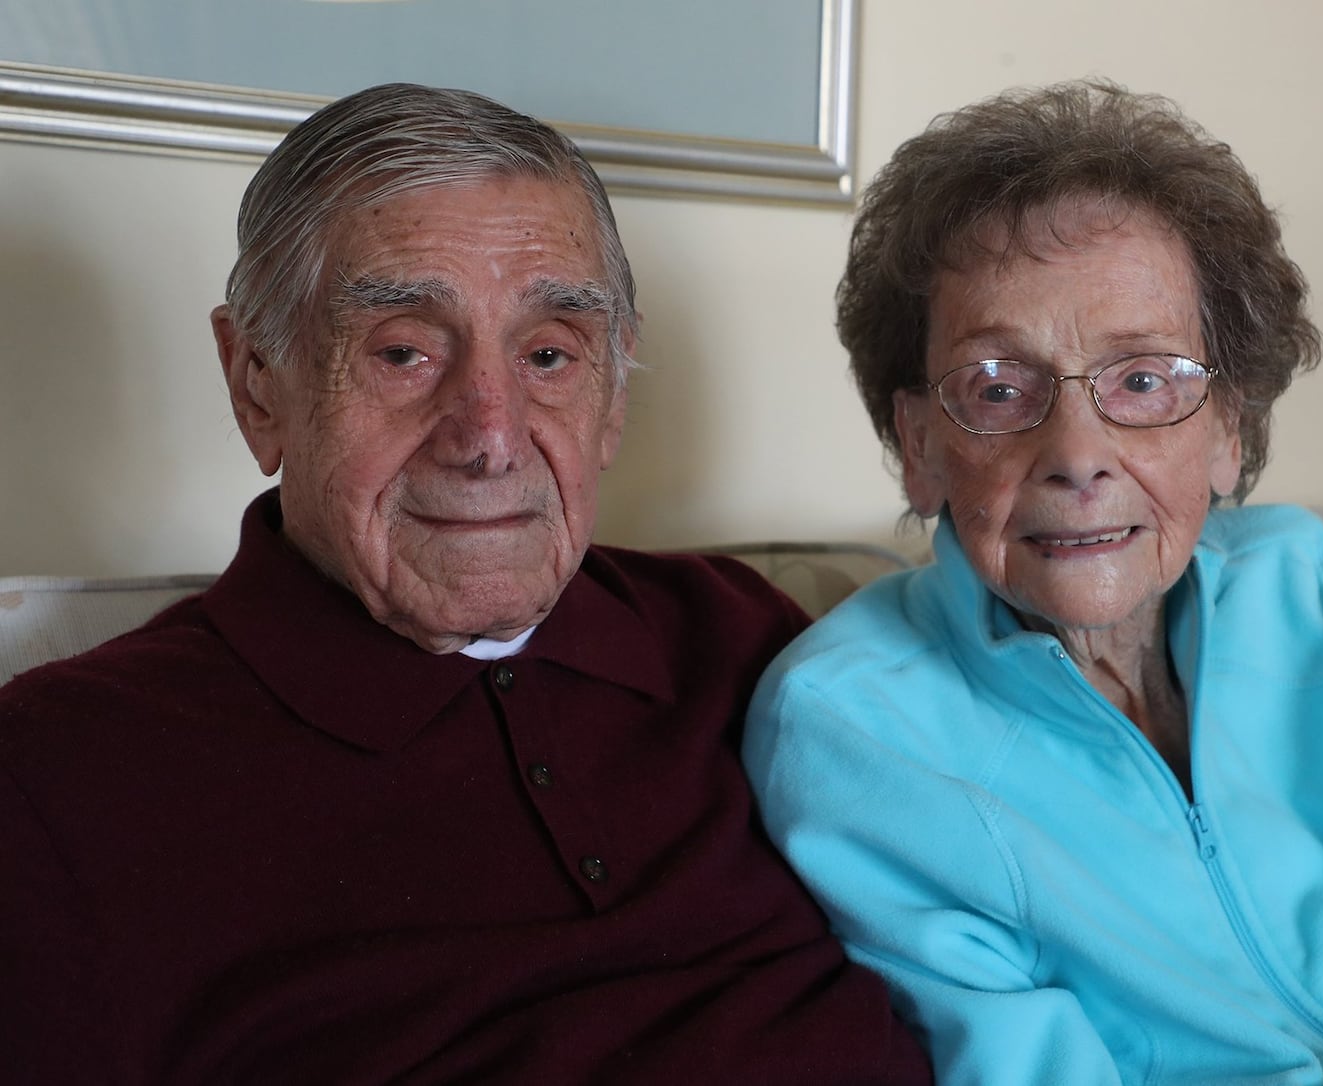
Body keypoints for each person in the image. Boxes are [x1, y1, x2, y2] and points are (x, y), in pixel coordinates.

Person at [0, 83, 930, 1084]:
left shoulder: (744, 640)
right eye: (403, 352)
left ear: (614, 391)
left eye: (546, 355)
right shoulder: (57, 776)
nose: (489, 438)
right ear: (257, 383)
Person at [743, 80, 1323, 1084]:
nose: (1078, 454)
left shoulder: (1301, 587)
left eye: (1142, 380)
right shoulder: (854, 723)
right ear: (920, 448)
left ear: (1227, 431)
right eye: (997, 387)